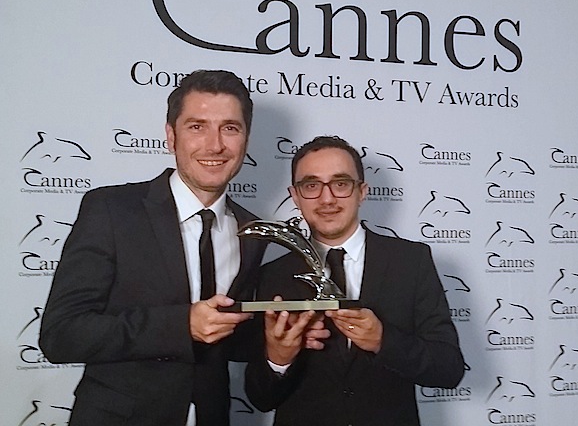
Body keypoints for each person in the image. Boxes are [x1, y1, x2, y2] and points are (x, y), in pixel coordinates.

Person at [39, 70, 268, 426]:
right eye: (197, 127)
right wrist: (181, 325)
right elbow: (61, 335)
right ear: (170, 136)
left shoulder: (252, 231)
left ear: (246, 140)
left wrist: (277, 339)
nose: (215, 145)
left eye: (230, 128)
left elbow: (228, 339)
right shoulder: (111, 210)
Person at [245, 135, 465, 426]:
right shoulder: (272, 274)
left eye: (340, 184)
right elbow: (260, 398)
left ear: (362, 191)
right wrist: (278, 358)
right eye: (311, 186)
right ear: (295, 196)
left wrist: (382, 340)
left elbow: (449, 370)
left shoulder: (412, 262)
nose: (327, 199)